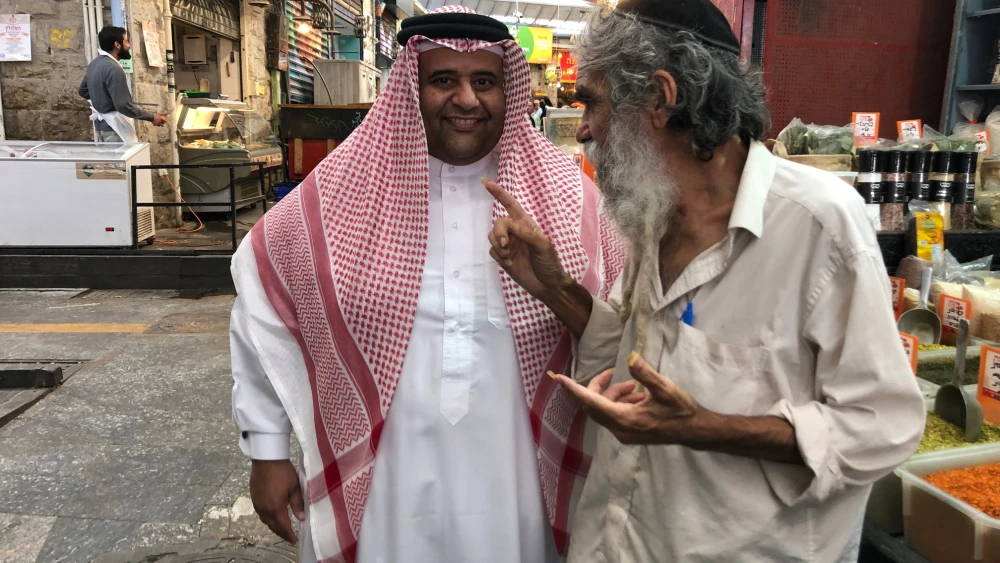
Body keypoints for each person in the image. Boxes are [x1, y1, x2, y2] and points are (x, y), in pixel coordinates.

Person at [483, 0, 926, 561]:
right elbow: (625, 354)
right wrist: (554, 287)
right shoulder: (657, 211)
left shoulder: (818, 225)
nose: (587, 130)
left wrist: (706, 426)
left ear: (662, 98)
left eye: (593, 104)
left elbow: (882, 425)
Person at [228, 6, 624, 563]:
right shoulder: (341, 194)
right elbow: (261, 309)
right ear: (408, 89)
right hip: (387, 483)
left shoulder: (571, 200)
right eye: (444, 80)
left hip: (517, 484)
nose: (467, 99)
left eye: (484, 81)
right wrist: (266, 451)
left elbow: (626, 325)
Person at [78, 26, 167, 143]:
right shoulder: (114, 68)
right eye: (126, 41)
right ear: (117, 45)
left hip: (101, 126)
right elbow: (123, 105)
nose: (129, 46)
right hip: (114, 127)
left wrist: (103, 100)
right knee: (121, 161)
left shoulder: (94, 64)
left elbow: (83, 91)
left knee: (111, 161)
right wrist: (151, 117)